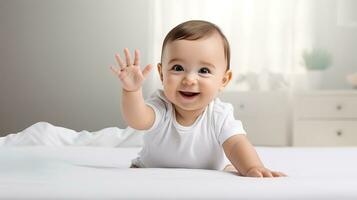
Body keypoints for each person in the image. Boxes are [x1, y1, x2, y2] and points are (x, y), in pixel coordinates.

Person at [110, 20, 286, 178]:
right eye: (178, 68)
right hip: (149, 172)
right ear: (162, 74)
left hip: (208, 175)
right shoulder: (161, 105)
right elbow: (138, 120)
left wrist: (252, 167)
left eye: (204, 71)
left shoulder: (219, 114)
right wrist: (132, 91)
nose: (189, 79)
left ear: (223, 80)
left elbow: (236, 144)